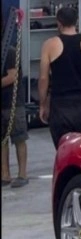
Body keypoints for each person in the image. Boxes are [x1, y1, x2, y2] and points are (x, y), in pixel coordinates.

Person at [38, 6, 81, 149]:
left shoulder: (49, 45)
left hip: (60, 105)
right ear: (76, 21)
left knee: (63, 150)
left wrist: (42, 104)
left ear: (59, 22)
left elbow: (43, 79)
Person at [1, 42, 29, 188]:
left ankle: (22, 174)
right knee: (2, 141)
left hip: (13, 104)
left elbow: (12, 77)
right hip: (3, 103)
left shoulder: (10, 52)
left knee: (19, 138)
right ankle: (5, 175)